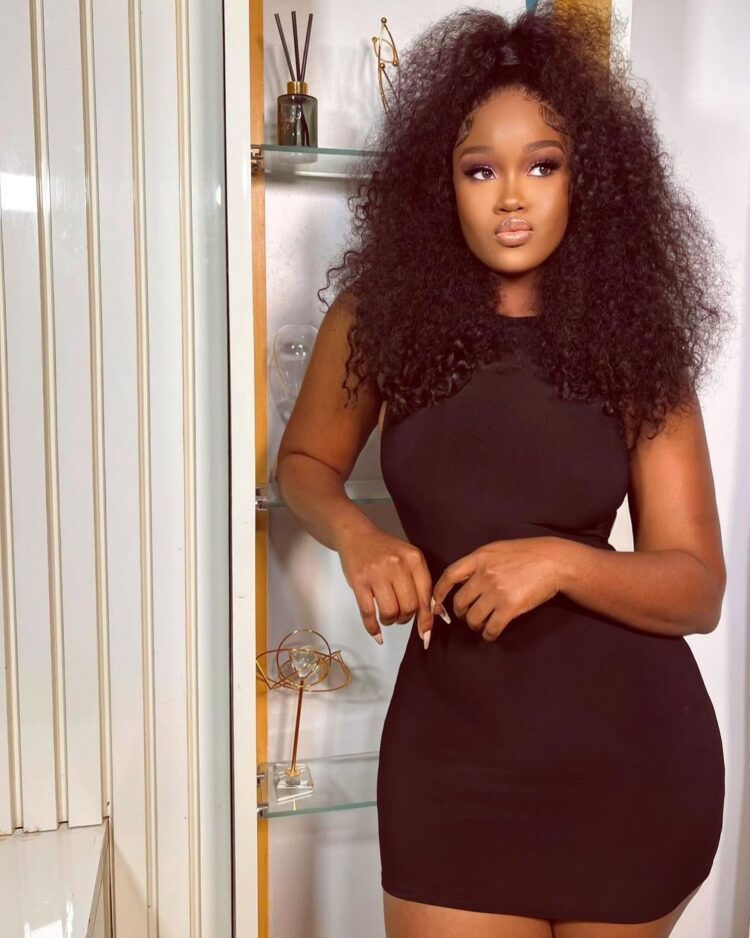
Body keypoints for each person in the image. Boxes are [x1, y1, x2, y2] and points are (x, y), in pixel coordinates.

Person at [274, 3, 734, 936]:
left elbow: (697, 589)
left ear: (586, 178)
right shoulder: (377, 317)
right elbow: (306, 462)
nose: (512, 197)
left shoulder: (634, 341)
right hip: (451, 754)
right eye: (480, 169)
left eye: (543, 165)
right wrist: (359, 535)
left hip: (631, 763)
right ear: (439, 182)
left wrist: (558, 561)